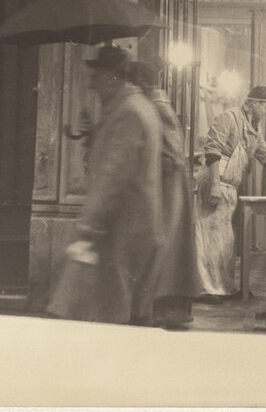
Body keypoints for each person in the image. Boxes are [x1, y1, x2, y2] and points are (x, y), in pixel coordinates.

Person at [47, 46, 165, 325]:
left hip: (125, 231)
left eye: (96, 76)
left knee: (113, 320)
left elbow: (114, 176)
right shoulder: (134, 108)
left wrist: (89, 226)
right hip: (137, 228)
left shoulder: (127, 113)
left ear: (113, 76)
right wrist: (94, 134)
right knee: (130, 317)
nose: (91, 84)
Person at [128, 57, 197, 327]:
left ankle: (167, 309)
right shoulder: (155, 104)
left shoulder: (157, 106)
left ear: (143, 83)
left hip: (169, 188)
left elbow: (176, 154)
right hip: (165, 185)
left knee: (167, 248)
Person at [195, 85, 266, 302]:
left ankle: (225, 287)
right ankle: (208, 289)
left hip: (230, 189)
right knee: (209, 239)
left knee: (225, 241)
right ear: (254, 103)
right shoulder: (227, 118)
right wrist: (214, 185)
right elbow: (213, 151)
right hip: (214, 184)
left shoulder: (254, 129)